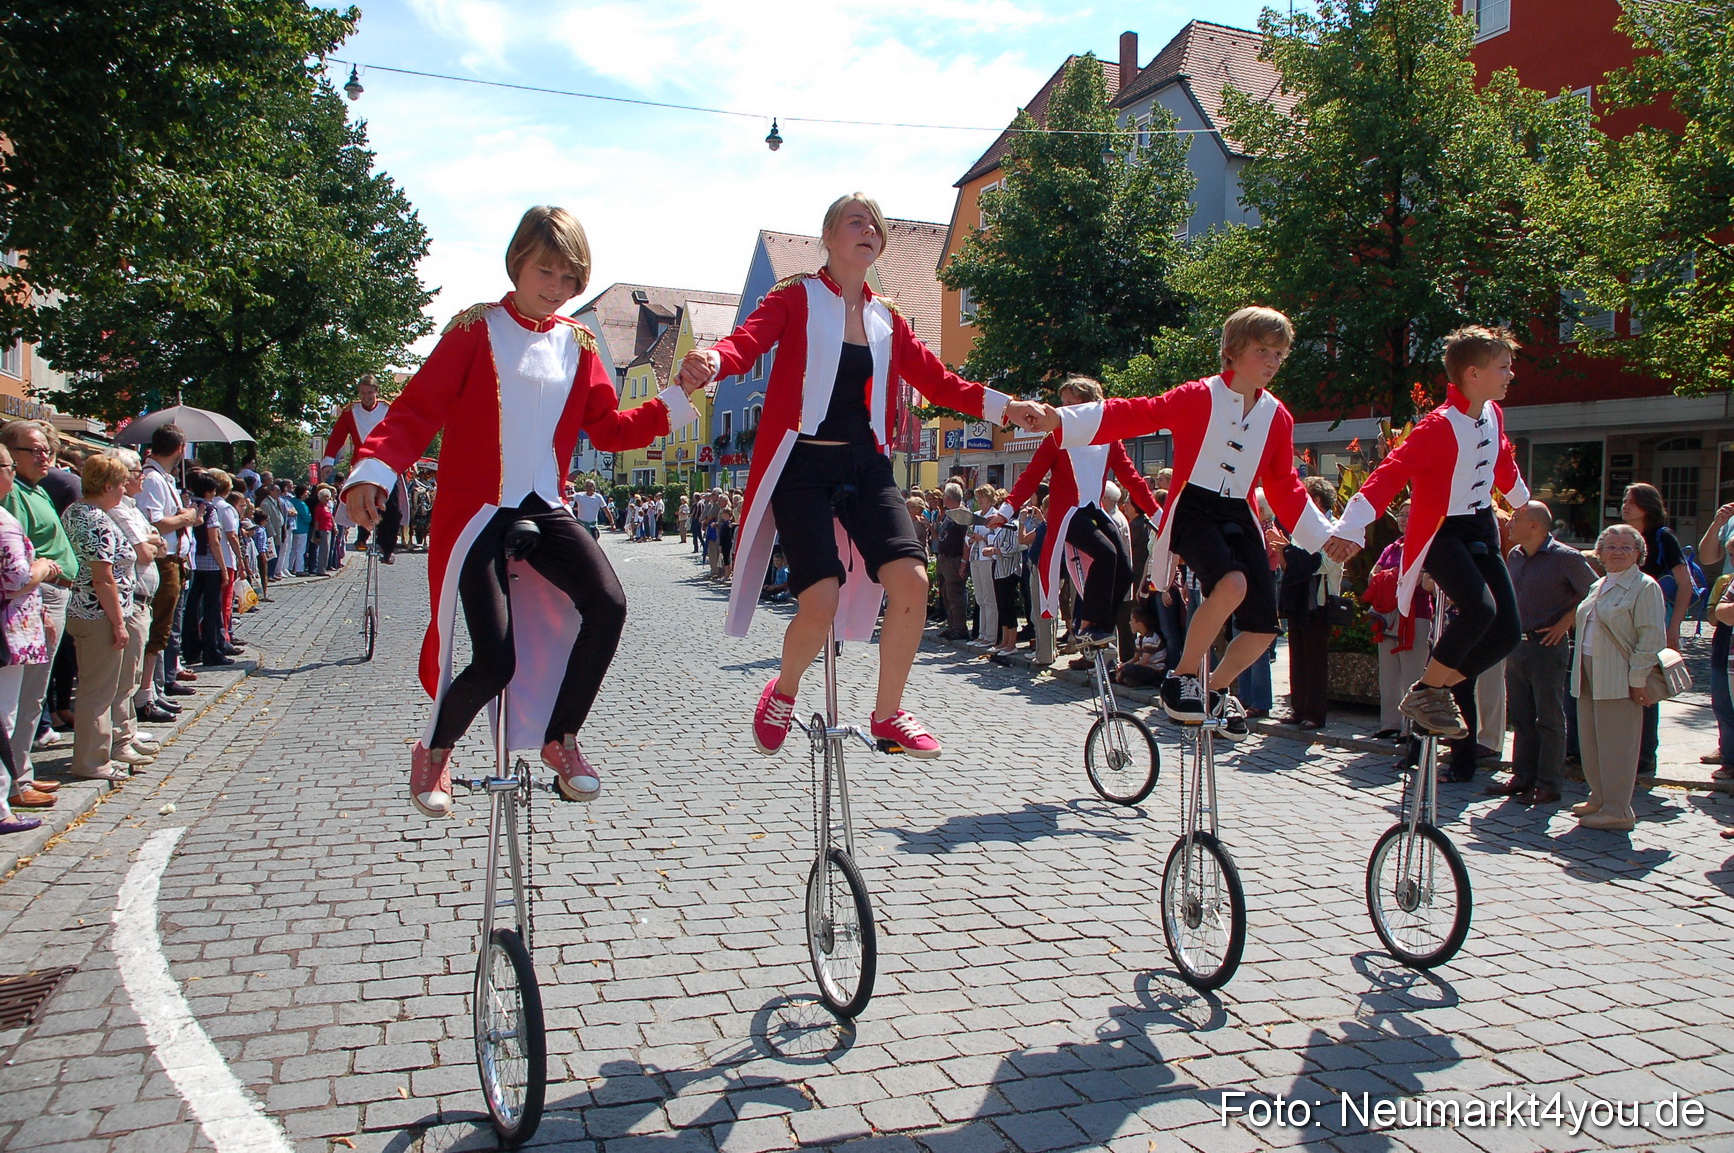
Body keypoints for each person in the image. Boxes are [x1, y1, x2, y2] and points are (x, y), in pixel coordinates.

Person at [343, 204, 703, 816]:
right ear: (517, 263)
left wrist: (676, 395)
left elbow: (610, 429)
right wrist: (372, 470)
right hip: (479, 511)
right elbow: (415, 411)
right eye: (545, 272)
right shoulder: (472, 329)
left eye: (569, 279)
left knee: (610, 604)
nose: (556, 288)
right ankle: (434, 749)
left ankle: (561, 739)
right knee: (494, 658)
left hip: (547, 504)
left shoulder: (580, 343)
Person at [674, 192, 1038, 759]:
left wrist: (1004, 406)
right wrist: (713, 361)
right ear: (830, 235)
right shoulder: (796, 296)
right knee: (819, 600)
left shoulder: (885, 316)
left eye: (876, 224)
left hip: (865, 462)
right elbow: (747, 342)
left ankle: (889, 711)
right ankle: (782, 691)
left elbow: (939, 383)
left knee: (914, 583)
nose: (868, 229)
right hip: (801, 464)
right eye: (855, 221)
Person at [1017, 307, 1333, 739]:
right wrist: (1062, 419)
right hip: (1194, 508)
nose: (1273, 362)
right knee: (1233, 585)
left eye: (1279, 353)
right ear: (1233, 353)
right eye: (1262, 351)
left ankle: (1214, 688)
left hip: (1239, 511)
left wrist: (1324, 536)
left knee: (1262, 627)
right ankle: (1180, 678)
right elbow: (1137, 412)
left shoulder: (1277, 416)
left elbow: (1284, 483)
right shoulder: (1199, 395)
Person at [1326, 326, 1530, 741]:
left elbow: (1501, 456)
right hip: (1441, 531)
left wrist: (1520, 500)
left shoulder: (1493, 413)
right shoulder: (1437, 426)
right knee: (1479, 610)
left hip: (1481, 525)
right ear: (1473, 374)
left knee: (1507, 632)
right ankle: (1430, 691)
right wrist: (1351, 528)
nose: (1511, 376)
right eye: (1504, 368)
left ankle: (1432, 690)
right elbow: (1388, 474)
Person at [1006, 376, 1158, 652]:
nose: (1061, 410)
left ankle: (1102, 628)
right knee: (1106, 553)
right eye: (1062, 403)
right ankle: (1089, 624)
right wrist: (1007, 509)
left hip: (1093, 509)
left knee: (1124, 570)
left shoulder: (1110, 439)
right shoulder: (1057, 439)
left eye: (1069, 404)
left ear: (1088, 407)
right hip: (1066, 514)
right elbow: (1031, 476)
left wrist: (1158, 515)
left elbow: (1133, 480)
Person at [1489, 501, 1596, 806]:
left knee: (1549, 718)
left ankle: (1549, 784)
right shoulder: (1515, 555)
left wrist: (1566, 621)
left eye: (1516, 520)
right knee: (1521, 716)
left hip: (1548, 647)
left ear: (1534, 525)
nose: (1509, 524)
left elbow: (1595, 592)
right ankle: (1523, 778)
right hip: (1517, 645)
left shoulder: (1566, 558)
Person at [1570, 523, 1666, 832]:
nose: (1618, 552)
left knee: (1617, 744)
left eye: (1627, 547)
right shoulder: (1599, 585)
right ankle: (1599, 796)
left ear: (1639, 553)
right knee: (1592, 738)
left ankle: (1618, 809)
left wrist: (1637, 678)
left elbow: (1651, 637)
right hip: (1587, 670)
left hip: (1619, 674)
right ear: (1599, 553)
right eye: (1611, 546)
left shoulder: (1645, 586)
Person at [0, 420, 78, 795]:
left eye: (46, 447)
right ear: (9, 456)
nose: (44, 454)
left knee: (32, 695)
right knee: (24, 696)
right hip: (36, 595)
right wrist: (45, 579)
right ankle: (15, 781)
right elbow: (20, 559)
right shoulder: (13, 493)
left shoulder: (36, 489)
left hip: (48, 593)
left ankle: (21, 772)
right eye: (32, 449)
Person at [61, 454, 145, 782]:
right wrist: (119, 622)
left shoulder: (77, 511)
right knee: (98, 691)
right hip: (98, 613)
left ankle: (97, 753)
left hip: (85, 611)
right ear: (107, 485)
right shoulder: (95, 518)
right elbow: (103, 577)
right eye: (122, 484)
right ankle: (93, 761)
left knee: (95, 688)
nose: (125, 490)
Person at [0, 440, 57, 813]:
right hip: (11, 629)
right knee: (8, 712)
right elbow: (16, 576)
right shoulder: (7, 515)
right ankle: (8, 794)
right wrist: (44, 567)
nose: (11, 472)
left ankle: (18, 776)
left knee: (21, 706)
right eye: (7, 465)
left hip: (23, 622)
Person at [1623, 481, 1692, 779]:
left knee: (1647, 683)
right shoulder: (1624, 537)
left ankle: (1645, 756)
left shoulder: (1663, 537)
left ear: (1647, 506)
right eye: (1624, 500)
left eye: (1631, 501)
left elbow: (1685, 584)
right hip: (1624, 618)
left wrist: (1674, 627)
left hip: (1653, 616)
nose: (1624, 505)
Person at [1276, 476, 1342, 729]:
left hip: (1320, 601)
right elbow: (1290, 567)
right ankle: (1299, 708)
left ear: (1315, 500)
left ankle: (1314, 713)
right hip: (1299, 600)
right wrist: (1284, 551)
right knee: (1298, 656)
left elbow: (1324, 565)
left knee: (1314, 659)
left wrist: (1291, 553)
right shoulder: (1302, 530)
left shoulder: (1333, 527)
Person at [324, 373, 406, 564]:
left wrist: (407, 461)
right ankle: (362, 536)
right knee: (360, 499)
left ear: (376, 391)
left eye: (370, 393)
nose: (366, 397)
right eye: (362, 393)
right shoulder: (350, 412)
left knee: (393, 508)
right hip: (362, 463)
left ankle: (387, 549)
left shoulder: (389, 409)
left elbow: (402, 435)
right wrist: (328, 462)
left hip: (386, 463)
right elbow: (337, 437)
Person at [179, 471, 231, 667]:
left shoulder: (187, 505)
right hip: (209, 563)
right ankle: (212, 650)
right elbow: (214, 541)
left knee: (191, 608)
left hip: (192, 562)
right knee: (211, 609)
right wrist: (223, 567)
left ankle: (190, 650)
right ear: (211, 491)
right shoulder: (209, 509)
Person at [981, 503, 1023, 656]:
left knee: (1008, 607)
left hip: (1009, 571)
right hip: (999, 569)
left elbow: (1011, 548)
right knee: (1002, 607)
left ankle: (1012, 643)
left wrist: (993, 550)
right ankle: (1004, 641)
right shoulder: (1004, 526)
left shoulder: (1013, 525)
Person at [933, 484, 970, 640]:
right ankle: (951, 625)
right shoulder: (950, 513)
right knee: (947, 594)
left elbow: (966, 540)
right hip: (945, 557)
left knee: (955, 594)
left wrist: (963, 561)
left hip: (955, 558)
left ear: (948, 498)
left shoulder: (962, 514)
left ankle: (960, 628)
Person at [1115, 601, 1167, 687]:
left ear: (1139, 624)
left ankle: (1124, 677)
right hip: (1145, 668)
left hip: (1154, 672)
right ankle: (1123, 678)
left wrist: (1125, 669)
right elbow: (1135, 658)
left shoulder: (1150, 638)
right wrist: (1122, 665)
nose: (1129, 623)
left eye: (1132, 621)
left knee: (1129, 669)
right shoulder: (1139, 639)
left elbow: (1143, 662)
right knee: (1114, 666)